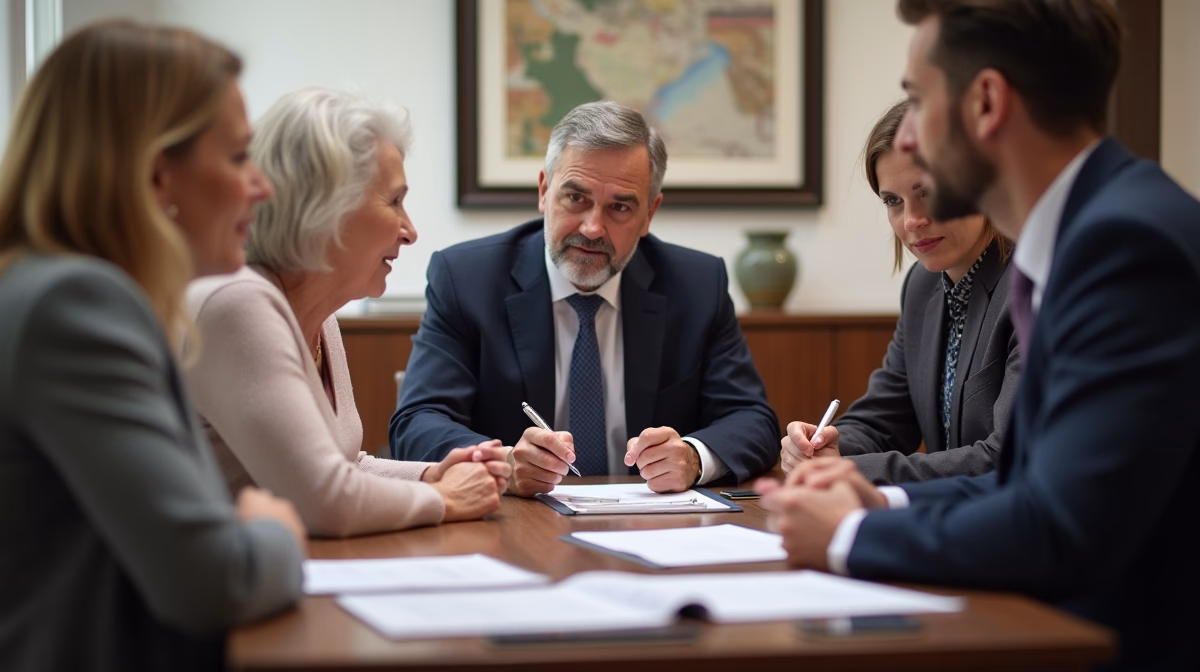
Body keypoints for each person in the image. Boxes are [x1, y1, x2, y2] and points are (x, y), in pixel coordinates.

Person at [759, 2, 1200, 670]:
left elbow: (1061, 527)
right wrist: (880, 497)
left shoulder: (1123, 245)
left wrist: (853, 532)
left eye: (917, 100)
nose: (907, 139)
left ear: (986, 102)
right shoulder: (1091, 232)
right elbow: (1030, 483)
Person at [0, 21, 305, 672]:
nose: (263, 186)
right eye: (237, 156)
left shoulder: (66, 292)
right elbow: (214, 580)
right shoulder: (77, 306)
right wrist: (274, 530)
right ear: (157, 177)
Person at [390, 101, 779, 496]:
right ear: (544, 191)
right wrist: (503, 463)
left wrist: (694, 458)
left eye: (620, 207)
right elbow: (418, 421)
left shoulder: (696, 286)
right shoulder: (467, 279)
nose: (593, 228)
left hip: (652, 527)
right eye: (576, 199)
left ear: (649, 214)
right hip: (514, 524)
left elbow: (751, 418)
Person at [183, 89, 510, 538]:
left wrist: (428, 475)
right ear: (325, 205)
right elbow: (323, 499)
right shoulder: (238, 302)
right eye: (394, 201)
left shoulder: (319, 315)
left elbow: (343, 466)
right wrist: (445, 497)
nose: (410, 231)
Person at [780, 99, 1018, 484]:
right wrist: (822, 446)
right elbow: (884, 420)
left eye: (928, 192)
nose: (911, 221)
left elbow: (1005, 458)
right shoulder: (922, 288)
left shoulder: (1030, 287)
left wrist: (846, 470)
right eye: (893, 201)